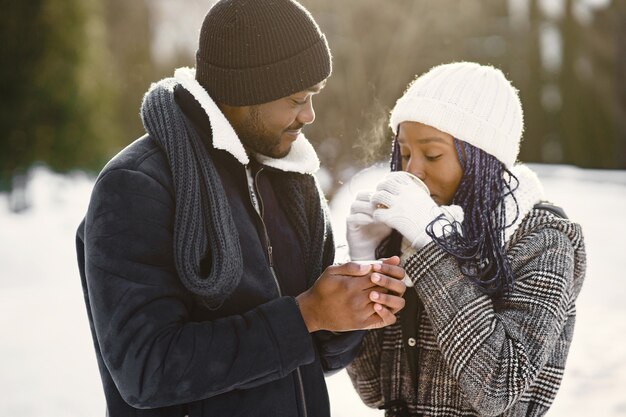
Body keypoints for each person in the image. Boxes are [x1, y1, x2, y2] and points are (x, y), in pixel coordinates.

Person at [75, 1, 407, 416]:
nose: (309, 114)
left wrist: (351, 305)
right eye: (296, 99)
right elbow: (144, 371)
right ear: (244, 90)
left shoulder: (289, 177)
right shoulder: (138, 186)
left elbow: (313, 356)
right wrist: (304, 315)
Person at [345, 62, 587, 416]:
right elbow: (374, 390)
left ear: (483, 160)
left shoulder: (543, 240)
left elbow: (498, 386)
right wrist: (366, 266)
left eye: (432, 154)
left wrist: (430, 243)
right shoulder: (406, 235)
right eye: (405, 153)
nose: (412, 171)